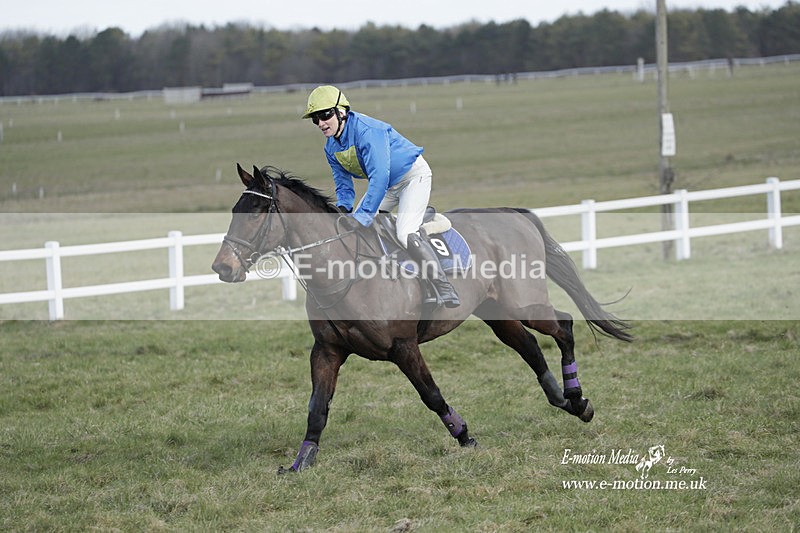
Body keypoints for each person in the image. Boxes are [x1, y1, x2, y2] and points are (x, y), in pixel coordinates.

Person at [302, 85, 459, 308]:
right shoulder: (330, 147)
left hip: (412, 177)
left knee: (404, 233)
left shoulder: (366, 130)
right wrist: (343, 211)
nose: (321, 123)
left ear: (341, 111)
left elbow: (379, 177)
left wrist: (362, 216)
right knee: (356, 228)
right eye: (315, 119)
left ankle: (443, 287)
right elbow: (343, 186)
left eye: (325, 115)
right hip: (386, 185)